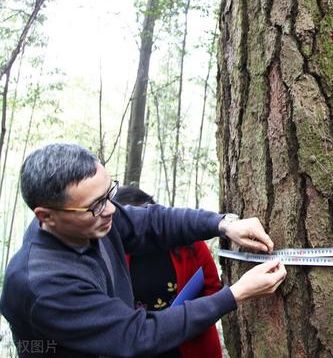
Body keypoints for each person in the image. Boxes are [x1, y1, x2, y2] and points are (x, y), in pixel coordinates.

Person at [1, 143, 287, 357]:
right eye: (96, 205)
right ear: (46, 216)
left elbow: (152, 222)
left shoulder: (90, 222)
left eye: (109, 194)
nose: (111, 210)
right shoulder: (44, 285)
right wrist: (236, 294)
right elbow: (135, 334)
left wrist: (222, 224)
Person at [113, 186, 224, 358]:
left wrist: (193, 317)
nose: (144, 225)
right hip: (144, 345)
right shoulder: (115, 258)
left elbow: (212, 287)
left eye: (147, 214)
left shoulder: (189, 245)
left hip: (192, 342)